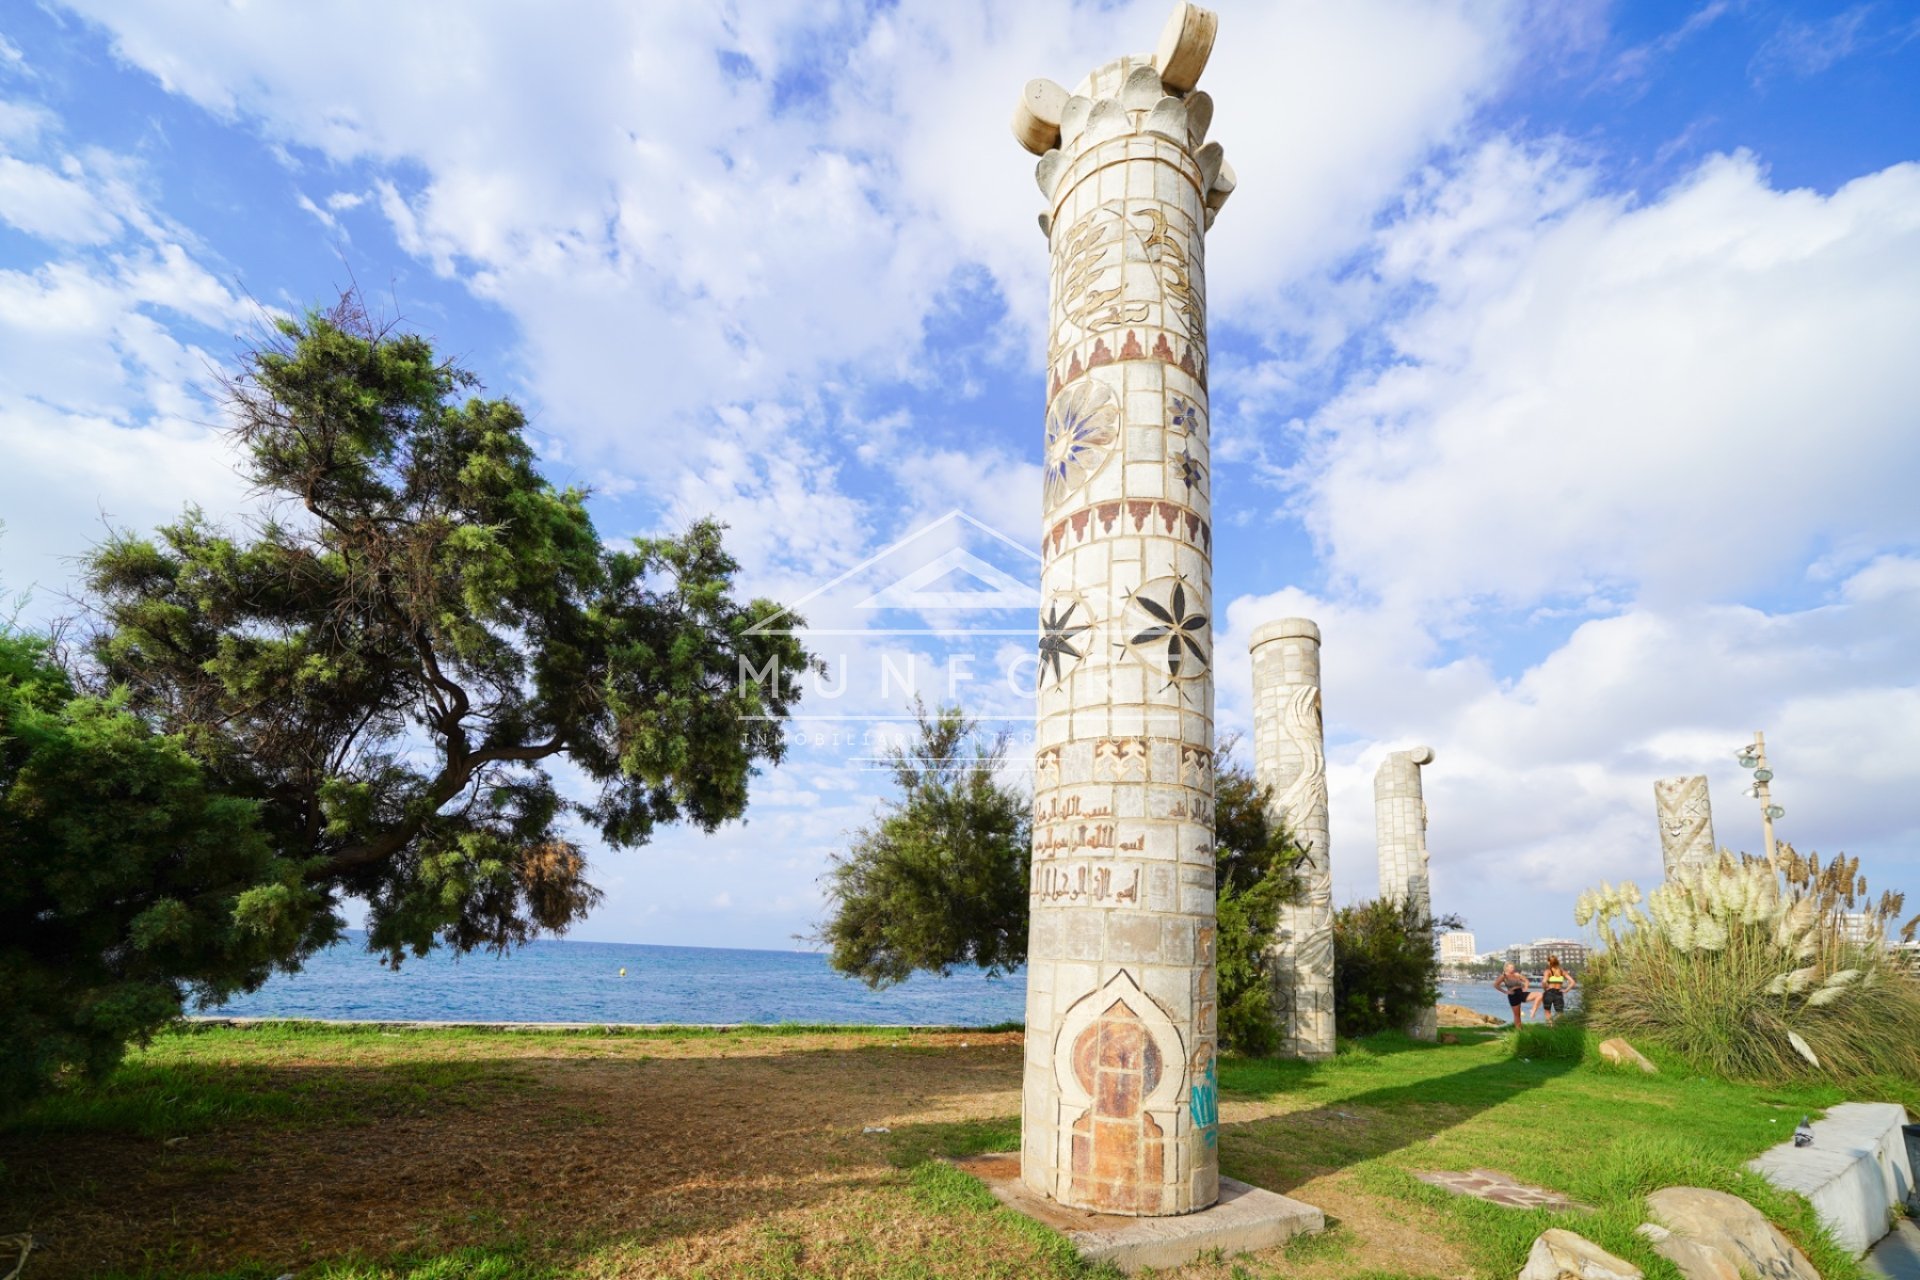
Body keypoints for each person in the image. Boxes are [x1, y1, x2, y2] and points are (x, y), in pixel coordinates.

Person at [1540, 955, 1576, 1025]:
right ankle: (1553, 1024)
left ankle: (1550, 1025)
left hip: (1549, 992)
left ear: (1549, 962)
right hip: (1559, 993)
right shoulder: (1562, 971)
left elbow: (1544, 982)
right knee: (1560, 1012)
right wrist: (1566, 990)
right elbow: (1573, 982)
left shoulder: (1548, 971)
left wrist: (1545, 989)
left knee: (1547, 1011)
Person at [1493, 962, 1529, 1029]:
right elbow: (1496, 985)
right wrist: (1505, 992)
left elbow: (1526, 981)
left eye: (1513, 967)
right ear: (1506, 968)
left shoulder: (1517, 974)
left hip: (1520, 993)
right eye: (1511, 967)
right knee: (1517, 1014)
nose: (1513, 969)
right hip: (1513, 995)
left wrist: (1525, 989)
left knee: (1519, 1013)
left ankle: (1520, 1029)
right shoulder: (1504, 976)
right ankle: (1519, 1030)